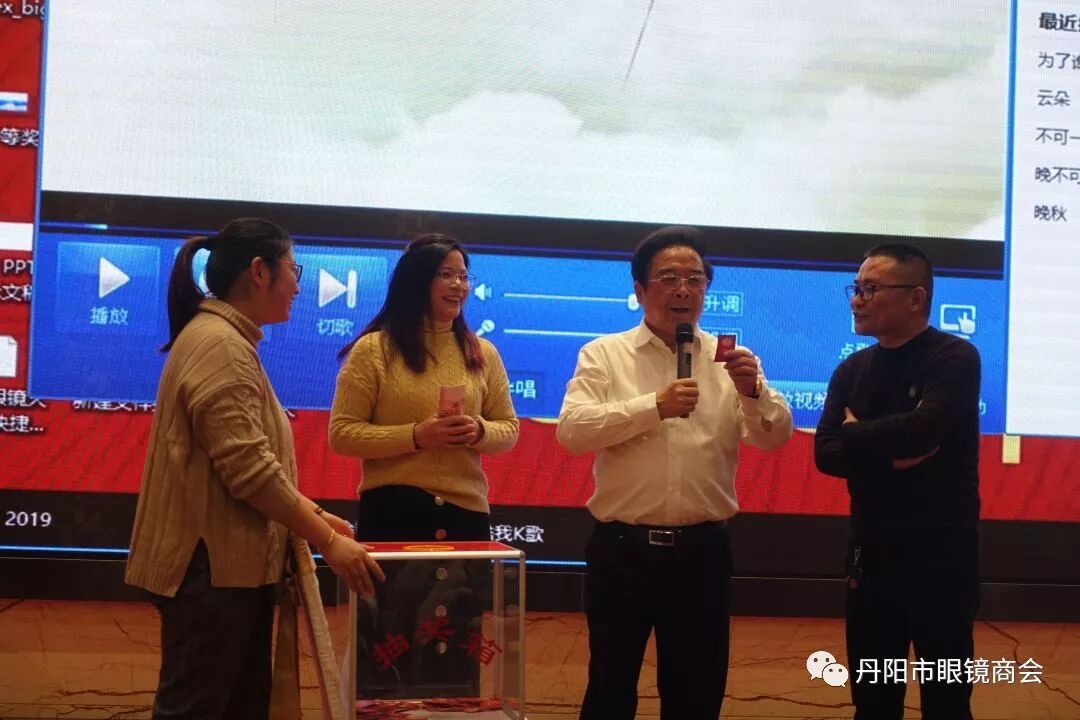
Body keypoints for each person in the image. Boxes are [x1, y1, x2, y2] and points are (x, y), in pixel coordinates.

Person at [125, 217, 384, 720]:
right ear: (260, 272)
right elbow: (251, 473)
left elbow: (251, 464)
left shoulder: (225, 338)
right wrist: (327, 541)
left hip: (226, 571)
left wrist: (315, 518)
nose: (298, 286)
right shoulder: (220, 346)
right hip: (210, 573)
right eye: (294, 270)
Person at [556, 225, 793, 720]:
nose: (683, 289)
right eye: (668, 278)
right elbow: (573, 432)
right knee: (609, 686)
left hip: (701, 554)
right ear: (640, 289)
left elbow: (773, 437)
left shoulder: (729, 360)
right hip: (621, 550)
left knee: (696, 693)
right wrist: (653, 407)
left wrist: (753, 393)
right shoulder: (604, 354)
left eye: (695, 279)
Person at [329, 232, 519, 696]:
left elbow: (509, 429)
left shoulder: (482, 353)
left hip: (465, 518)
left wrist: (479, 431)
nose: (458, 285)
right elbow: (342, 434)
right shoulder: (374, 350)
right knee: (388, 643)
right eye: (445, 275)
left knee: (454, 647)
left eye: (463, 276)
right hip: (395, 512)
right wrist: (416, 436)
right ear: (417, 281)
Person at [815, 243, 981, 720]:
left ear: (915, 298)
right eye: (855, 288)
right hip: (871, 554)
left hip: (942, 556)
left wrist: (855, 435)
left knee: (946, 697)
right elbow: (826, 453)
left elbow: (924, 430)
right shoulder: (852, 369)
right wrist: (891, 457)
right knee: (873, 698)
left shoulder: (953, 357)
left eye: (871, 289)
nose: (857, 299)